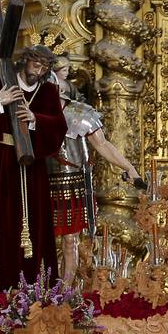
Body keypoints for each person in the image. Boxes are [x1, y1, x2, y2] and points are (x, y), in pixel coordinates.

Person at [0, 45, 68, 290]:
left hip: (33, 166)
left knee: (34, 222)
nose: (39, 70)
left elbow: (59, 127)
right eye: (36, 64)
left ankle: (34, 284)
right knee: (0, 219)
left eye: (44, 67)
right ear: (25, 61)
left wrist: (35, 120)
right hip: (1, 162)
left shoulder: (48, 92)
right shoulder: (4, 82)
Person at [48, 54, 144, 281]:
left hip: (69, 183)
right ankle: (39, 289)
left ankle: (64, 292)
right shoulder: (33, 115)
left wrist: (129, 167)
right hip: (38, 182)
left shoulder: (79, 114)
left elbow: (103, 145)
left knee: (70, 240)